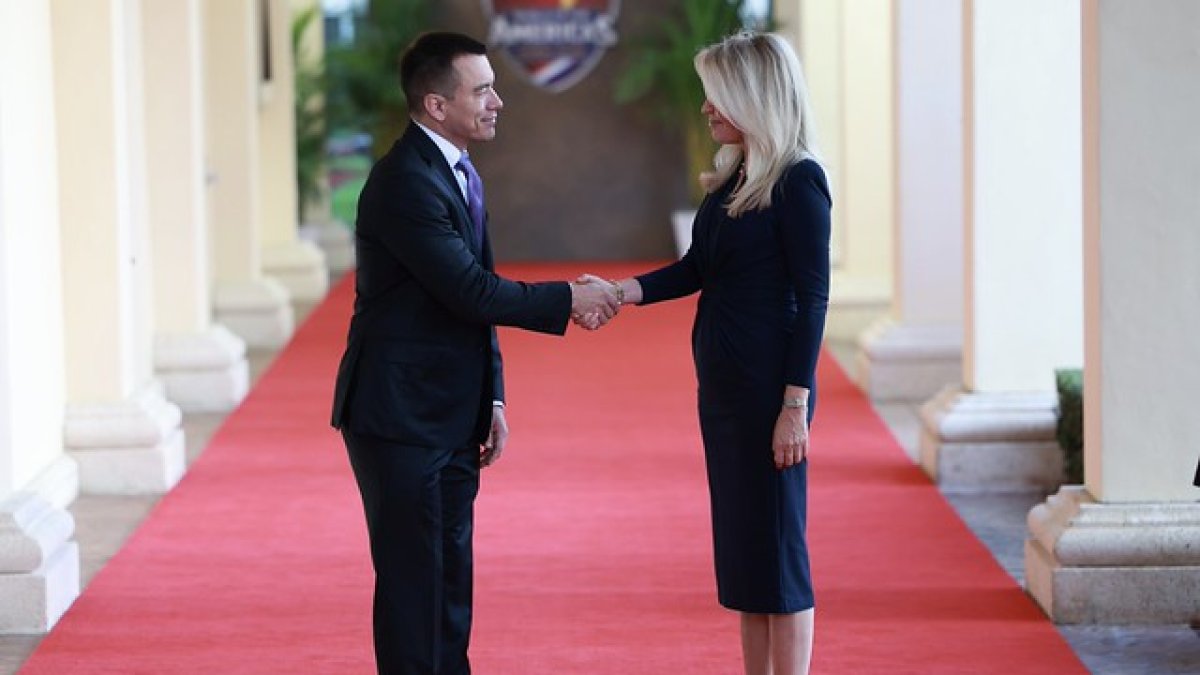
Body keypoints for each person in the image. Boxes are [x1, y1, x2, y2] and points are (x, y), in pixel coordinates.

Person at [330, 32, 619, 675]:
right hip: (400, 416)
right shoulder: (405, 182)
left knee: (449, 589)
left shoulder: (456, 169)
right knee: (415, 591)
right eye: (483, 90)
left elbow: (470, 298)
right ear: (437, 105)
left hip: (451, 411)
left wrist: (493, 397)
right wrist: (570, 298)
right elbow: (470, 290)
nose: (498, 101)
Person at [578, 32, 831, 675]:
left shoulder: (799, 180)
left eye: (715, 94)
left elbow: (814, 301)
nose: (705, 108)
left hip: (771, 394)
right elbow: (696, 269)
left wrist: (794, 406)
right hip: (725, 392)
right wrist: (620, 293)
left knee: (779, 552)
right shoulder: (732, 179)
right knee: (746, 556)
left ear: (752, 96)